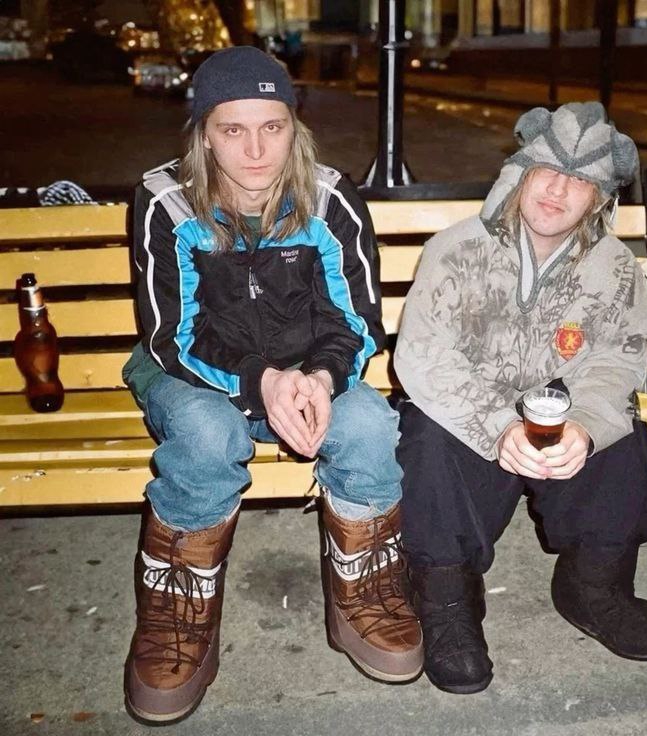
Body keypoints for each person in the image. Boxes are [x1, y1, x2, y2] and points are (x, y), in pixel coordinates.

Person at [122, 46, 421, 725]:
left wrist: (321, 377)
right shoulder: (167, 201)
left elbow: (356, 321)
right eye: (233, 129)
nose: (256, 150)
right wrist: (262, 381)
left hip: (307, 370)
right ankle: (178, 609)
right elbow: (173, 334)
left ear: (294, 126)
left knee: (370, 424)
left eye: (273, 126)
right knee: (208, 433)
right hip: (193, 372)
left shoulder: (329, 198)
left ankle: (365, 588)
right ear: (204, 133)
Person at [394, 102, 647, 695]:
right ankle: (448, 603)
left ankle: (595, 586)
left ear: (598, 200)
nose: (557, 190)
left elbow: (620, 355)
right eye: (547, 170)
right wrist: (499, 426)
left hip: (558, 409)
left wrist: (587, 427)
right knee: (425, 440)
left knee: (623, 441)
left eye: (579, 180)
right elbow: (424, 356)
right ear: (520, 174)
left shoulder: (614, 268)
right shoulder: (456, 249)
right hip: (472, 409)